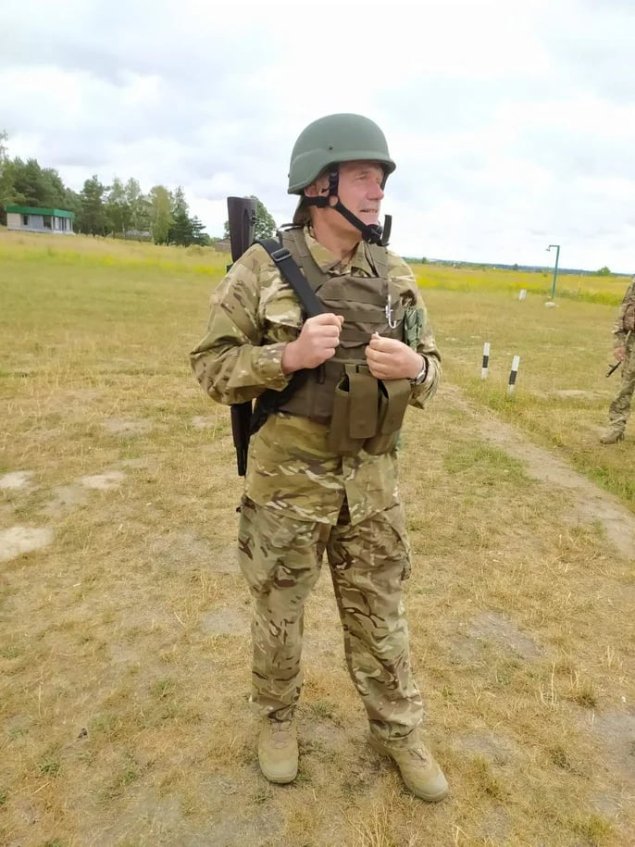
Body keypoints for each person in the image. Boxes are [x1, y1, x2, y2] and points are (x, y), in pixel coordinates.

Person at [190, 113, 448, 802]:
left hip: (370, 493)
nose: (377, 190)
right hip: (286, 494)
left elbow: (434, 373)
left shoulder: (394, 277)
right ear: (317, 184)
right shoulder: (259, 269)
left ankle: (396, 730)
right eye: (363, 175)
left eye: (382, 178)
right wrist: (287, 356)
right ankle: (275, 719)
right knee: (278, 613)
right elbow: (209, 366)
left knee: (381, 616)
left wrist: (413, 369)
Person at [600, 275, 635, 444]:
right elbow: (624, 310)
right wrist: (619, 342)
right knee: (625, 387)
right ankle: (616, 427)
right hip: (632, 342)